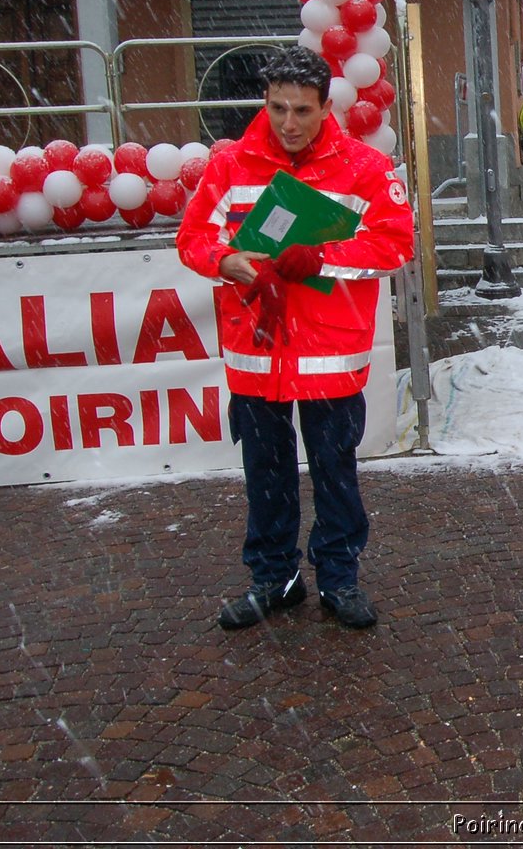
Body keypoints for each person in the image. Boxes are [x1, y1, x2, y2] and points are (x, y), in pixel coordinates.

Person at [176, 47, 414, 631]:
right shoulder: (229, 164)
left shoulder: (364, 167)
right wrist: (225, 260)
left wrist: (322, 257)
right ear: (265, 101)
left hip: (330, 353)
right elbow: (192, 239)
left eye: (302, 111)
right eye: (278, 108)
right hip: (256, 351)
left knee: (336, 471)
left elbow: (394, 245)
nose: (289, 123)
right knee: (265, 473)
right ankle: (274, 579)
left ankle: (338, 577)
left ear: (325, 106)